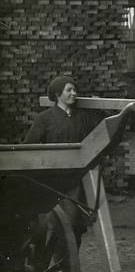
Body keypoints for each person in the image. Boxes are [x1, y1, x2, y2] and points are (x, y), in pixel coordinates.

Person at [24, 74, 99, 245]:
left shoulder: (83, 117)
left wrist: (98, 108)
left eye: (75, 90)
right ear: (58, 94)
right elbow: (29, 146)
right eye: (69, 90)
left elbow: (102, 130)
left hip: (77, 179)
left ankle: (68, 267)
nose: (74, 93)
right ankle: (47, 264)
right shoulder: (45, 118)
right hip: (53, 180)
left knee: (76, 226)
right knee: (56, 224)